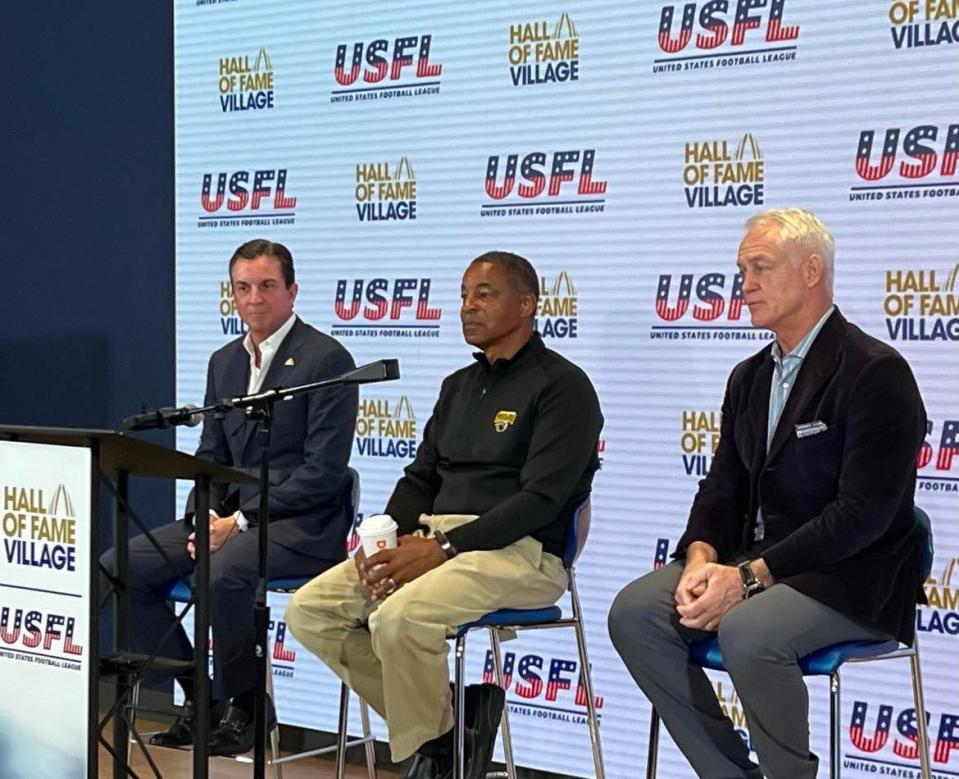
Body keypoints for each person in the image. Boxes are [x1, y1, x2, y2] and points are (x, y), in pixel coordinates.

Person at [607, 208, 927, 779]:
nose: (745, 285)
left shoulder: (876, 371)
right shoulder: (749, 375)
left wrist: (749, 578)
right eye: (741, 269)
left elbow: (862, 516)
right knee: (635, 613)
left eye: (759, 267)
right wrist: (702, 556)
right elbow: (723, 484)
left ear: (810, 272)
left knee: (748, 630)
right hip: (753, 563)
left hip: (850, 575)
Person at [285, 251, 603, 779]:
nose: (467, 307)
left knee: (399, 618)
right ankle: (452, 726)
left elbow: (541, 500)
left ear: (526, 305)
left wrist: (444, 549)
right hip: (435, 543)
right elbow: (421, 478)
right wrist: (381, 539)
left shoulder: (563, 388)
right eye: (462, 296)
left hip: (520, 553)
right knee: (309, 610)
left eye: (484, 294)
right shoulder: (459, 385)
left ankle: (434, 757)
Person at [100, 239, 358, 756]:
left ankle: (246, 706)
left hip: (304, 524)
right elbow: (209, 453)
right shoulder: (225, 362)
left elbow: (323, 473)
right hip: (230, 519)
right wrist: (204, 518)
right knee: (119, 563)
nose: (255, 298)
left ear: (292, 290)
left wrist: (236, 522)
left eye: (267, 286)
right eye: (243, 288)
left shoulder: (326, 359)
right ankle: (200, 700)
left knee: (223, 572)